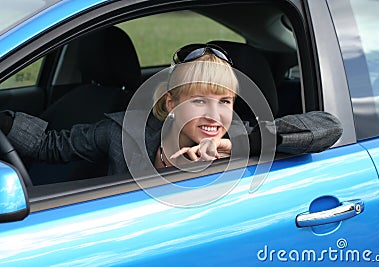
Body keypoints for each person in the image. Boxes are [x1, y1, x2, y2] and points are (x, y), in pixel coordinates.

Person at [0, 43, 343, 180]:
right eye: (198, 100)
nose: (214, 115)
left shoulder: (243, 137)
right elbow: (49, 145)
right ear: (170, 105)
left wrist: (238, 145)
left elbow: (328, 127)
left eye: (225, 102)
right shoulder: (122, 132)